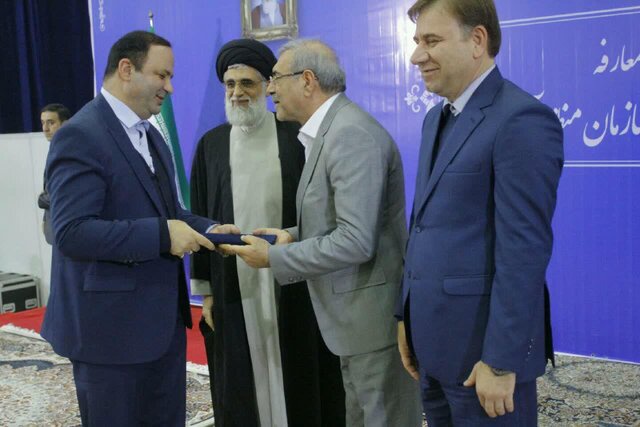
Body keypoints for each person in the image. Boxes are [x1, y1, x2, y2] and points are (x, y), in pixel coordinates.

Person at [41, 30, 237, 426]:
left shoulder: (151, 135)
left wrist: (216, 231)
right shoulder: (80, 135)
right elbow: (71, 232)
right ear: (126, 69)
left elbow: (171, 211)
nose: (170, 87)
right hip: (108, 336)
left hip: (161, 328)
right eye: (162, 75)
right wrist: (163, 235)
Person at [223, 39, 423, 427]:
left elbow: (355, 240)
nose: (270, 89)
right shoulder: (328, 132)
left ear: (307, 80)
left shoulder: (350, 135)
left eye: (276, 78)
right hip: (353, 324)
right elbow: (339, 220)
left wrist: (275, 258)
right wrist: (292, 236)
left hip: (372, 325)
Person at [397, 0, 564, 425]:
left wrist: (501, 362)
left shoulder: (521, 119)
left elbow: (524, 250)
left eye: (431, 41)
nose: (417, 56)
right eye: (417, 41)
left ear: (477, 40)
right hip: (432, 347)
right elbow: (423, 225)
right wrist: (405, 315)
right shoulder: (435, 118)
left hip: (483, 362)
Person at [190, 38, 345, 427]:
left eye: (248, 83)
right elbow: (200, 217)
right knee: (241, 378)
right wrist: (206, 292)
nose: (238, 93)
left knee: (300, 369)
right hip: (234, 283)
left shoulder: (295, 136)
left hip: (291, 276)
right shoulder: (211, 146)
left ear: (267, 85)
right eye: (230, 85)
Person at [38, 103, 71, 244]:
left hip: (66, 224)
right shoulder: (55, 147)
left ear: (65, 123)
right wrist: (46, 219)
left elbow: (66, 191)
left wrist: (42, 200)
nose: (45, 129)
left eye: (51, 123)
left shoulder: (70, 150)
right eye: (43, 123)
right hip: (55, 223)